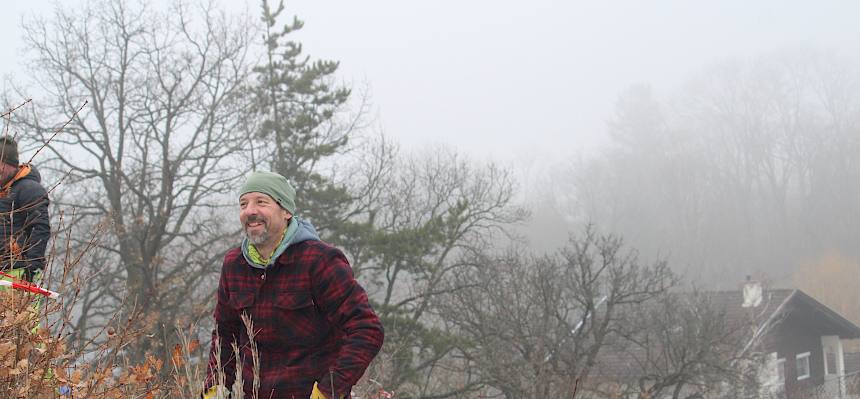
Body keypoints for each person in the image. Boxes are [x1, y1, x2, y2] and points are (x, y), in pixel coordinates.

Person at [205, 171, 384, 399]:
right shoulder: (234, 264)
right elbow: (224, 333)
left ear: (286, 211)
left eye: (261, 202)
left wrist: (329, 390)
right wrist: (215, 386)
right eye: (243, 204)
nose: (250, 210)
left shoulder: (319, 260)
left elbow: (367, 329)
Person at [0, 136, 50, 283]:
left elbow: (40, 228)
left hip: (17, 271)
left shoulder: (29, 189)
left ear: (9, 164)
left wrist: (31, 269)